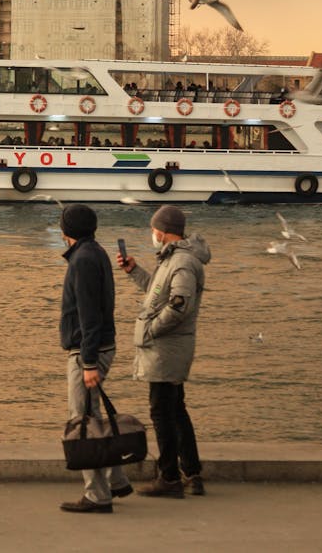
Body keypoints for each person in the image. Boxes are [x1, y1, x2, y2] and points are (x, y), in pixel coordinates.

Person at [116, 204, 210, 498]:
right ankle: (191, 473)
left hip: (167, 349)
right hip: (168, 349)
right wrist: (134, 271)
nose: (152, 234)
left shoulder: (182, 263)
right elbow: (158, 295)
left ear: (164, 231)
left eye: (153, 229)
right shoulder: (173, 259)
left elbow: (179, 305)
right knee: (175, 409)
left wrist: (151, 330)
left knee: (162, 412)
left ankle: (169, 477)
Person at [59, 204, 132, 513]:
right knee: (94, 416)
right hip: (99, 346)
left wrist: (88, 363)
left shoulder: (82, 261)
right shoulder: (95, 252)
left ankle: (97, 495)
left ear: (67, 231)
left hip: (87, 351)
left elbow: (89, 316)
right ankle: (116, 479)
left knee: (83, 423)